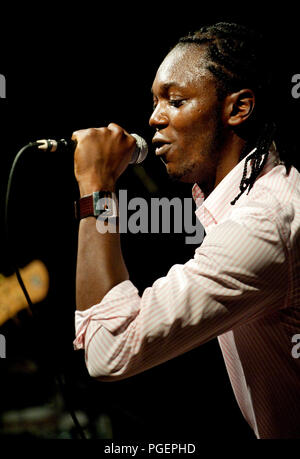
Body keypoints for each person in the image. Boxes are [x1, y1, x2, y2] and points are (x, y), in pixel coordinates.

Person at [72, 22, 300, 439]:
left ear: (238, 108)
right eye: (155, 101)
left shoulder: (264, 223)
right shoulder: (249, 201)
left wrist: (96, 188)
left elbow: (109, 352)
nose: (154, 118)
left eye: (175, 101)